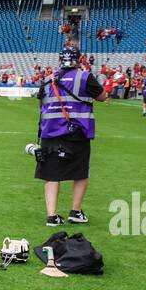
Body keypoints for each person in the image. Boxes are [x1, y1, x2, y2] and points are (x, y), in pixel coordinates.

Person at [34, 45, 108, 227]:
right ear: (79, 59)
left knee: (51, 174)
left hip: (50, 132)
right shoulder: (84, 77)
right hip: (76, 132)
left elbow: (41, 105)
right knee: (80, 172)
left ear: (60, 60)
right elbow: (102, 96)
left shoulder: (47, 79)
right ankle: (75, 211)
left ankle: (52, 216)